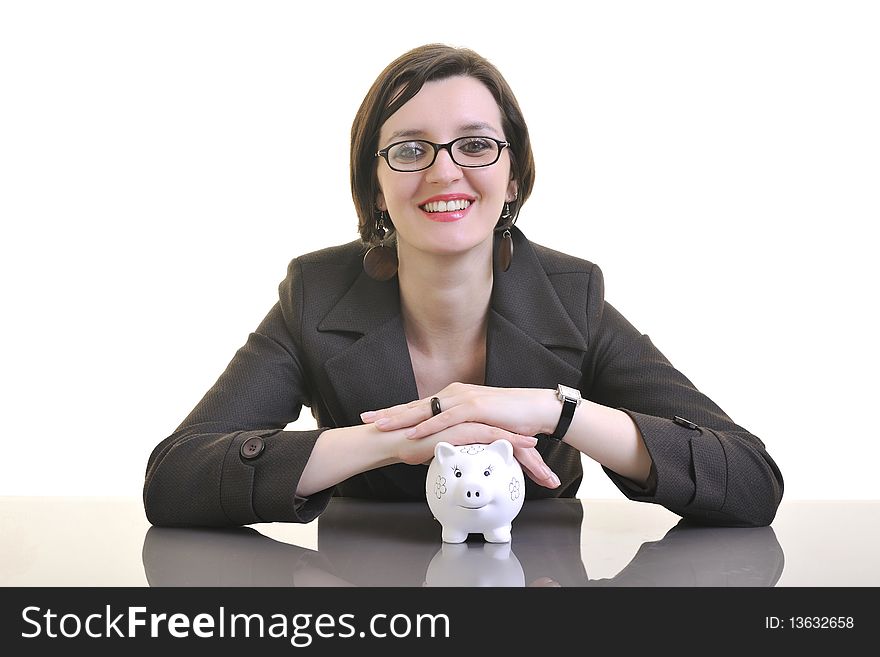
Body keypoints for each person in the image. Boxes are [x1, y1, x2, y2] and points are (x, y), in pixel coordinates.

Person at [143, 43, 783, 529]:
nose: (444, 171)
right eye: (411, 149)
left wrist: (553, 410)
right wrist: (399, 439)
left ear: (512, 178)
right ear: (376, 186)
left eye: (475, 145)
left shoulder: (570, 295)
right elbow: (174, 480)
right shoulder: (315, 293)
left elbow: (752, 481)